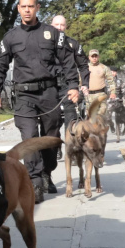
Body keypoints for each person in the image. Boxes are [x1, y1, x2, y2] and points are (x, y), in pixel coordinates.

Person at [0, 0, 80, 203]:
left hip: (50, 93)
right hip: (23, 95)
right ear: (18, 9)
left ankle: (47, 172)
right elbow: (0, 67)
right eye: (23, 6)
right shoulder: (11, 37)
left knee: (50, 138)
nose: (27, 10)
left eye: (31, 6)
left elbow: (67, 61)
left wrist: (73, 86)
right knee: (30, 137)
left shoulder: (52, 34)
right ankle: (35, 182)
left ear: (38, 7)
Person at [50, 15, 89, 168]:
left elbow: (83, 66)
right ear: (51, 25)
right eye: (56, 24)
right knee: (52, 122)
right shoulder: (44, 44)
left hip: (69, 86)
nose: (59, 27)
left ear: (66, 27)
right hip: (50, 87)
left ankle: (71, 151)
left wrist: (84, 84)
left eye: (62, 25)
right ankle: (55, 147)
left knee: (70, 120)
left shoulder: (73, 44)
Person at [86, 49, 116, 117]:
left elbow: (111, 81)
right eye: (92, 56)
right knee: (90, 116)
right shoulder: (85, 68)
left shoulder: (104, 67)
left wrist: (113, 92)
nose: (94, 58)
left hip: (101, 94)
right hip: (89, 95)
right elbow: (80, 81)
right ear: (89, 57)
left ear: (98, 57)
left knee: (101, 114)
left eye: (96, 56)